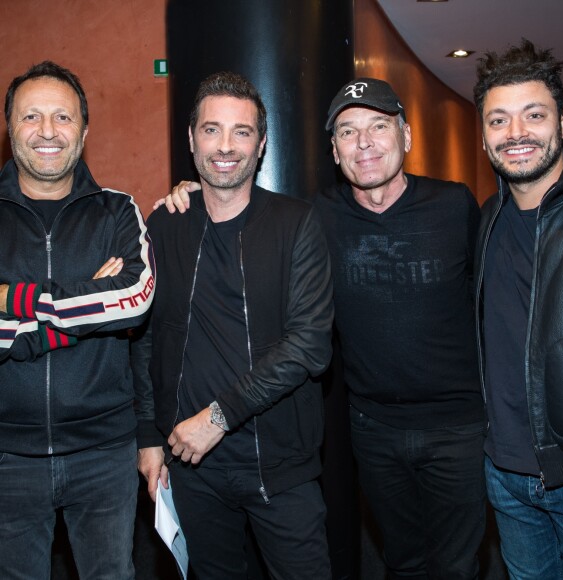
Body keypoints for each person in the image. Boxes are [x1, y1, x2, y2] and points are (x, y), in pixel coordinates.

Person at [161, 77, 486, 579]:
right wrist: (187, 192)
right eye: (349, 132)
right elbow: (235, 200)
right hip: (373, 427)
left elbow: (485, 299)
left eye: (379, 127)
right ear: (334, 150)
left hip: (458, 425)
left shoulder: (456, 204)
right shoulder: (319, 217)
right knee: (402, 560)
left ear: (407, 136)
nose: (365, 143)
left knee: (460, 564)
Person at [134, 71, 334, 579]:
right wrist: (148, 436)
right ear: (191, 138)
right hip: (191, 466)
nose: (225, 146)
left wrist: (216, 419)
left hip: (280, 467)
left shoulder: (296, 224)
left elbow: (309, 346)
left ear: (262, 143)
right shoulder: (164, 224)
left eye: (241, 132)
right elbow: (144, 339)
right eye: (211, 130)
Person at [0, 61, 155, 580]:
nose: (47, 131)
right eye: (31, 117)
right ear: (10, 128)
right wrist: (91, 300)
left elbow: (133, 298)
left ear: (84, 132)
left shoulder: (117, 212)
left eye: (62, 117)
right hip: (7, 457)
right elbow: (109, 304)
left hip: (104, 453)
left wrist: (15, 303)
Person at [473, 39, 563, 579]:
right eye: (499, 120)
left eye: (532, 115)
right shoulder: (486, 218)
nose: (515, 134)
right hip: (505, 472)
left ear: (562, 123)